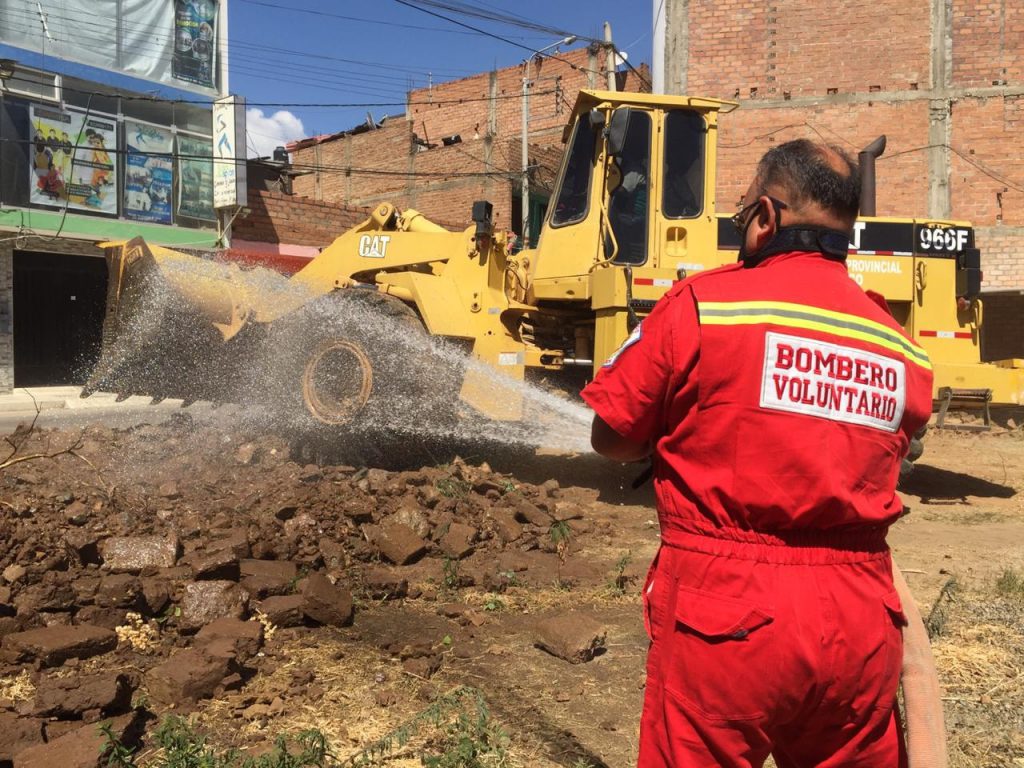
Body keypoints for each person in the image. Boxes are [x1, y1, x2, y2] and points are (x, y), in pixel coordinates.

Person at [582, 139, 942, 766]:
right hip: (860, 619)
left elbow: (611, 436)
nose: (740, 217)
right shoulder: (899, 345)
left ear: (768, 219)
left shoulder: (703, 307)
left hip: (725, 612)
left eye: (745, 206)